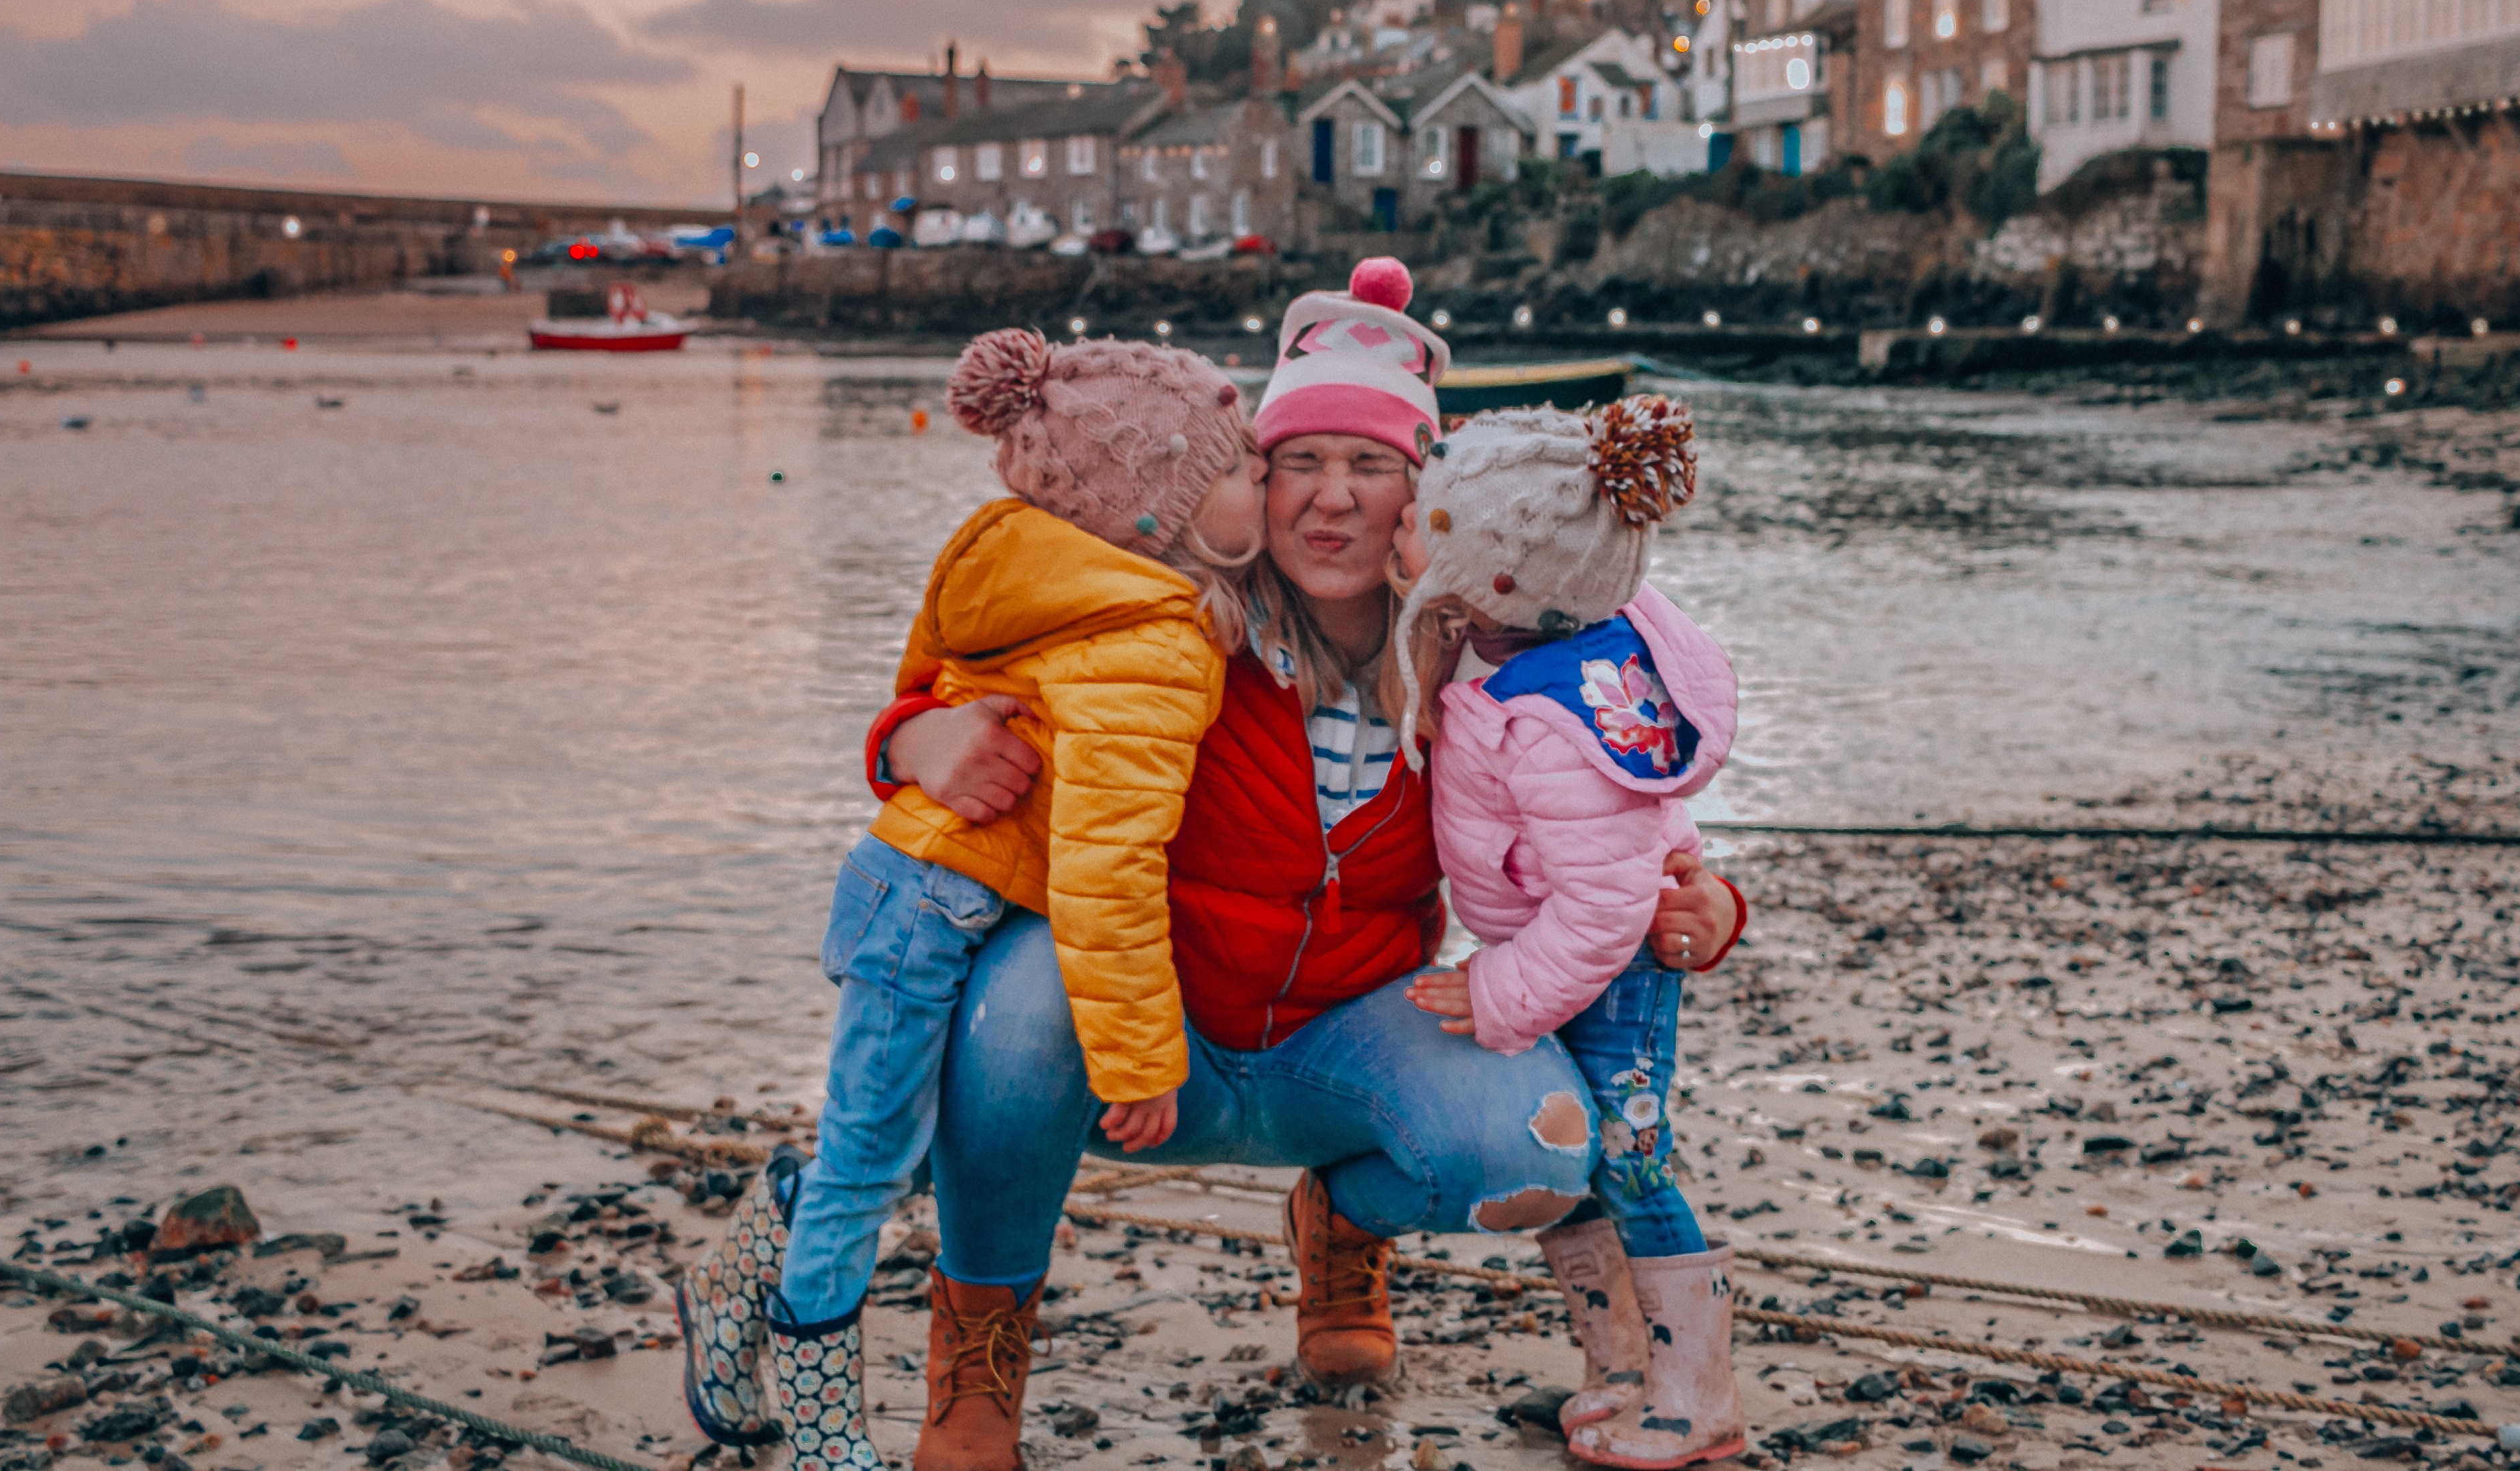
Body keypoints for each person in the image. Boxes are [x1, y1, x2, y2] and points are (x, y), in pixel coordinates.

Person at [869, 261, 1751, 1471]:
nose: (1332, 502)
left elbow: (1622, 813)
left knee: (1537, 1148)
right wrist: (913, 738)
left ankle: (1340, 1227)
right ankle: (975, 1368)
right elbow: (955, 690)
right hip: (1151, 1050)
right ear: (1254, 479)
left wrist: (1705, 898)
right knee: (1017, 1000)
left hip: (1344, 1041)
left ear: (1424, 493)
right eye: (1301, 462)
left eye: (1372, 466)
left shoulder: (1492, 652)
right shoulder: (1164, 617)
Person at [678, 329, 1265, 1471]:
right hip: (935, 905)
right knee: (867, 1164)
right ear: (1159, 511)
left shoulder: (1027, 567)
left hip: (924, 889)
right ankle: (822, 1434)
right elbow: (1108, 868)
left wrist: (914, 741)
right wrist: (1140, 1061)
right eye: (1240, 465)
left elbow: (925, 690)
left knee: (887, 1149)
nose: (1269, 476)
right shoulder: (1152, 640)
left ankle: (737, 1276)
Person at [1392, 397, 1744, 1466]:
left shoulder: (1549, 718)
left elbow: (1606, 908)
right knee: (1579, 1163)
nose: (1401, 528)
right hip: (1555, 954)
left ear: (1493, 568)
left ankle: (1698, 1398)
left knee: (1632, 1162)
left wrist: (1499, 992)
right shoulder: (1514, 643)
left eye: (1425, 518)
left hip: (1611, 970)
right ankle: (1620, 1373)